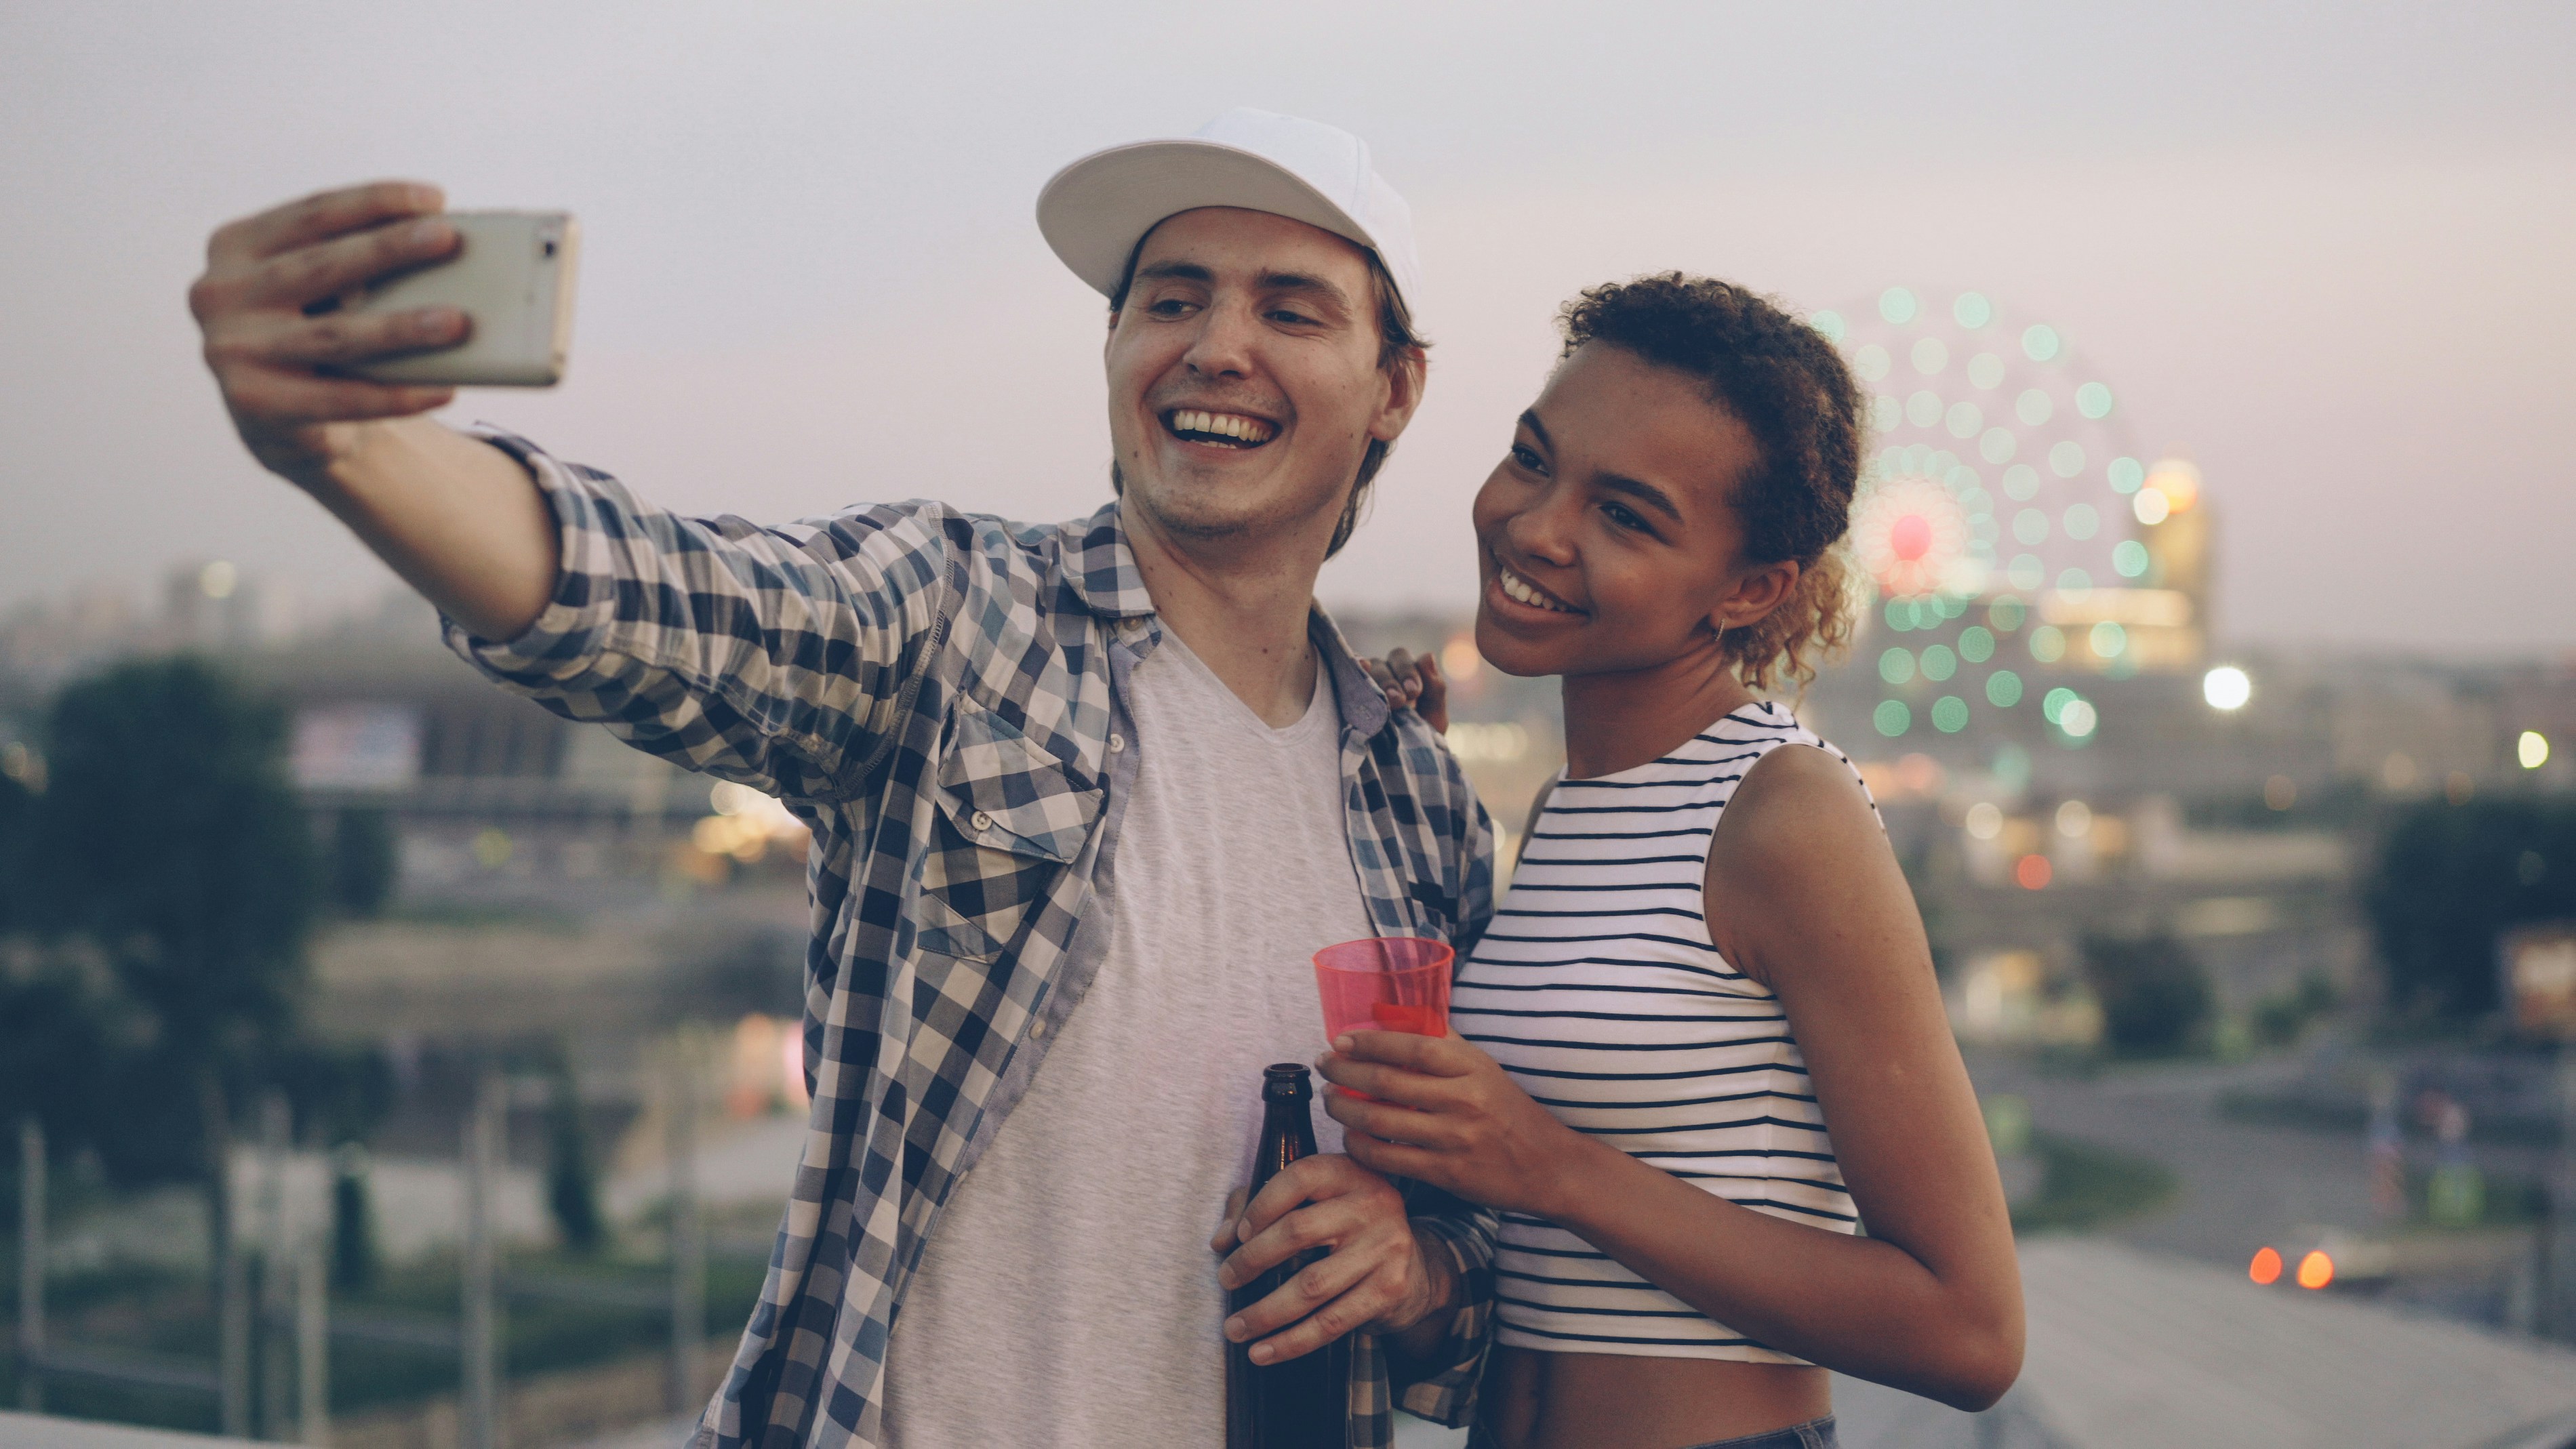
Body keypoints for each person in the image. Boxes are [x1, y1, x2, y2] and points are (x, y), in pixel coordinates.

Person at [187, 110, 1500, 1449]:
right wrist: (345, 447)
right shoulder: (963, 622)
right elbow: (675, 601)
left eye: (1292, 308)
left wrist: (1420, 1273)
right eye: (1172, 298)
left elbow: (1479, 1266)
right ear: (1114, 350)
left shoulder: (1421, 815)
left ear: (1394, 387)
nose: (1217, 344)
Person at [1304, 274, 2026, 1448]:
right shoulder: (1566, 808)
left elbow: (1970, 1332)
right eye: (1534, 460)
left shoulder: (1787, 813)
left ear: (1750, 589)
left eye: (1627, 516)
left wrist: (1548, 1163)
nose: (1536, 525)